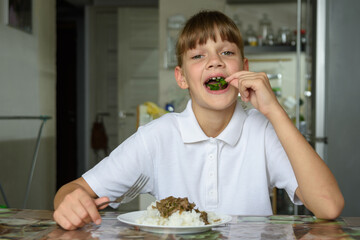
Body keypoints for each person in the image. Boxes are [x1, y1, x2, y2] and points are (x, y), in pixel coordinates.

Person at [53, 10, 344, 230]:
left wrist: (275, 112)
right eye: (198, 56)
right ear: (182, 78)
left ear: (244, 69)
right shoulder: (157, 137)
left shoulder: (263, 130)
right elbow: (70, 191)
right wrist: (68, 202)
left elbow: (329, 206)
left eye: (226, 52)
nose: (215, 61)